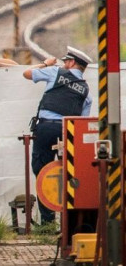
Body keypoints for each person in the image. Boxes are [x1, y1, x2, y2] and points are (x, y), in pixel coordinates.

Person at [23, 46, 92, 225]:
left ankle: (47, 222)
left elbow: (27, 73)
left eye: (65, 61)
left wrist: (45, 63)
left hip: (46, 129)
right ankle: (69, 222)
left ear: (71, 63)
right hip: (67, 132)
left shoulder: (55, 72)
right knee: (70, 174)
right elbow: (82, 123)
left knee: (42, 171)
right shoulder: (86, 92)